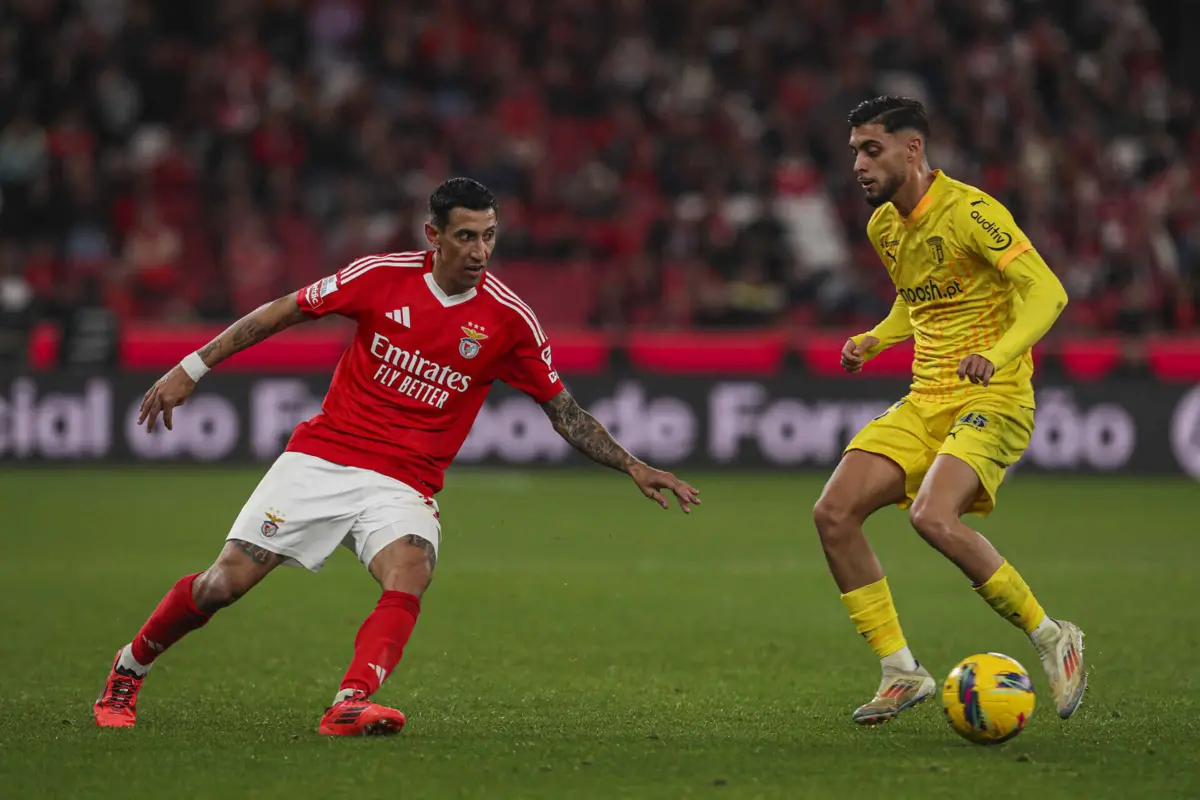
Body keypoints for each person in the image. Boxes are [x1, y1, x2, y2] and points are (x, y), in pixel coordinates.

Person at [94, 177, 701, 736]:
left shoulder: (509, 320)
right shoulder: (379, 276)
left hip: (403, 483)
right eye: (466, 236)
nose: (480, 251)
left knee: (410, 570)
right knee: (223, 584)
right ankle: (129, 668)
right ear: (432, 235)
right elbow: (284, 309)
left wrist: (631, 463)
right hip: (322, 459)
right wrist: (192, 367)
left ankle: (349, 702)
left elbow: (563, 409)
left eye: (490, 236)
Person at [814, 96, 1085, 725]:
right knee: (834, 512)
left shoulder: (972, 212)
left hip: (994, 394)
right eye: (854, 149)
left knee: (933, 517)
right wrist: (877, 339)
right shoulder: (884, 225)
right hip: (925, 397)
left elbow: (1048, 291)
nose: (858, 162)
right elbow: (918, 303)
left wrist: (998, 351)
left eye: (871, 149)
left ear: (912, 149)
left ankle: (1053, 637)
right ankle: (900, 672)